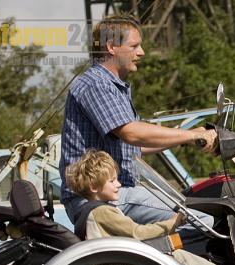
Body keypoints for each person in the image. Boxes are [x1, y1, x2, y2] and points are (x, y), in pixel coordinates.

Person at [59, 13, 217, 246]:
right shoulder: (96, 84)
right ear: (112, 47)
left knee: (199, 209)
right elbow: (131, 133)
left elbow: (135, 145)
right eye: (134, 46)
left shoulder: (115, 86)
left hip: (116, 193)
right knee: (205, 221)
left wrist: (185, 139)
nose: (142, 52)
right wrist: (193, 134)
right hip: (100, 198)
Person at [66, 149, 218, 265]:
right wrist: (173, 222)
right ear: (94, 187)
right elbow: (137, 233)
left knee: (175, 251)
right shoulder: (102, 212)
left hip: (119, 263)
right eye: (112, 181)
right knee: (181, 257)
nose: (118, 184)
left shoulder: (93, 212)